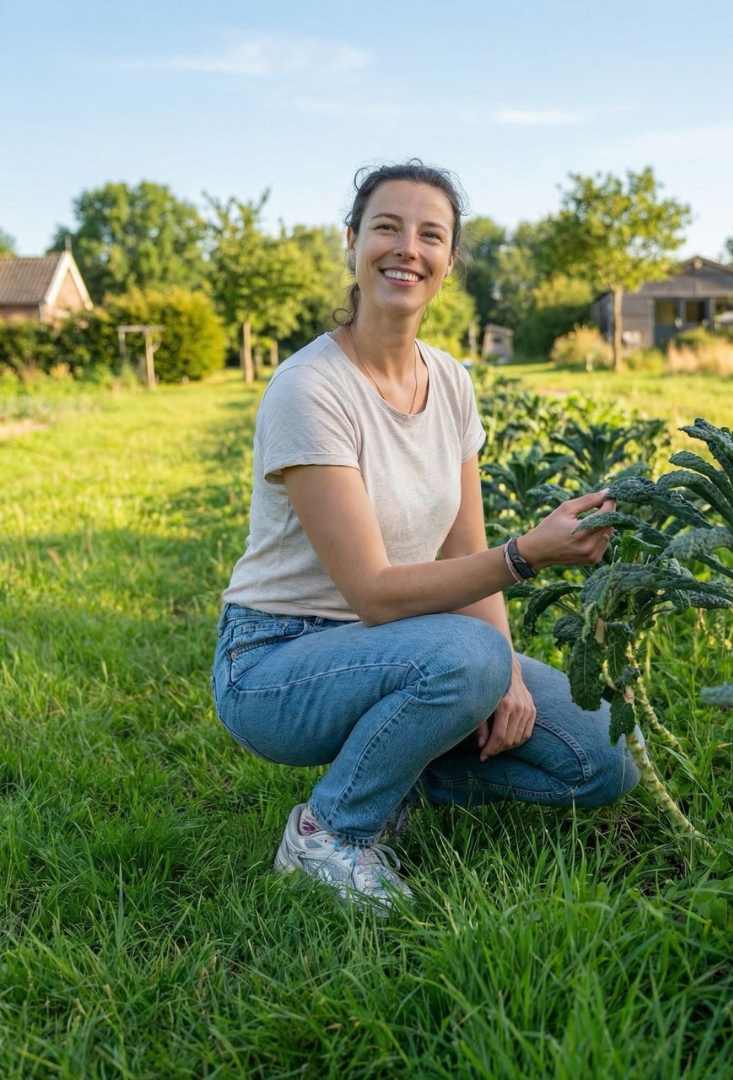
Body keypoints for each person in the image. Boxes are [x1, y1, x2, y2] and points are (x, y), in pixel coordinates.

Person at [212, 161, 640, 911]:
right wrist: (528, 555)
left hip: (413, 649)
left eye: (429, 234)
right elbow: (374, 596)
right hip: (277, 661)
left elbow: (461, 550)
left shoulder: (452, 382)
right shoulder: (310, 388)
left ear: (447, 263)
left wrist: (505, 672)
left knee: (602, 760)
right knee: (464, 654)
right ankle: (329, 831)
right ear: (352, 242)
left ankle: (396, 778)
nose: (406, 247)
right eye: (386, 227)